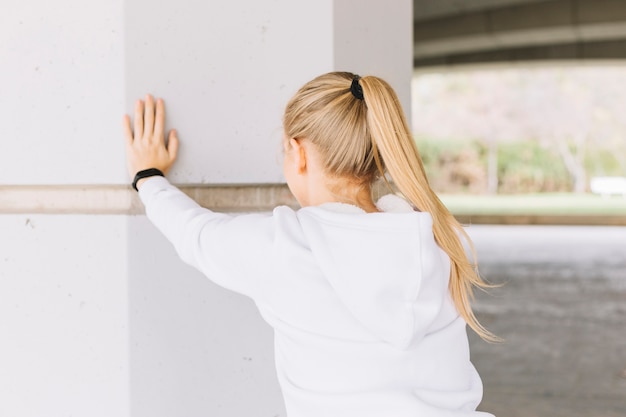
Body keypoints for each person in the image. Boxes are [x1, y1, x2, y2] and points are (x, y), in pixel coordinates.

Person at [123, 71, 496, 417]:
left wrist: (149, 177)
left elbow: (195, 233)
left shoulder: (285, 247)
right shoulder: (434, 242)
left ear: (297, 152)